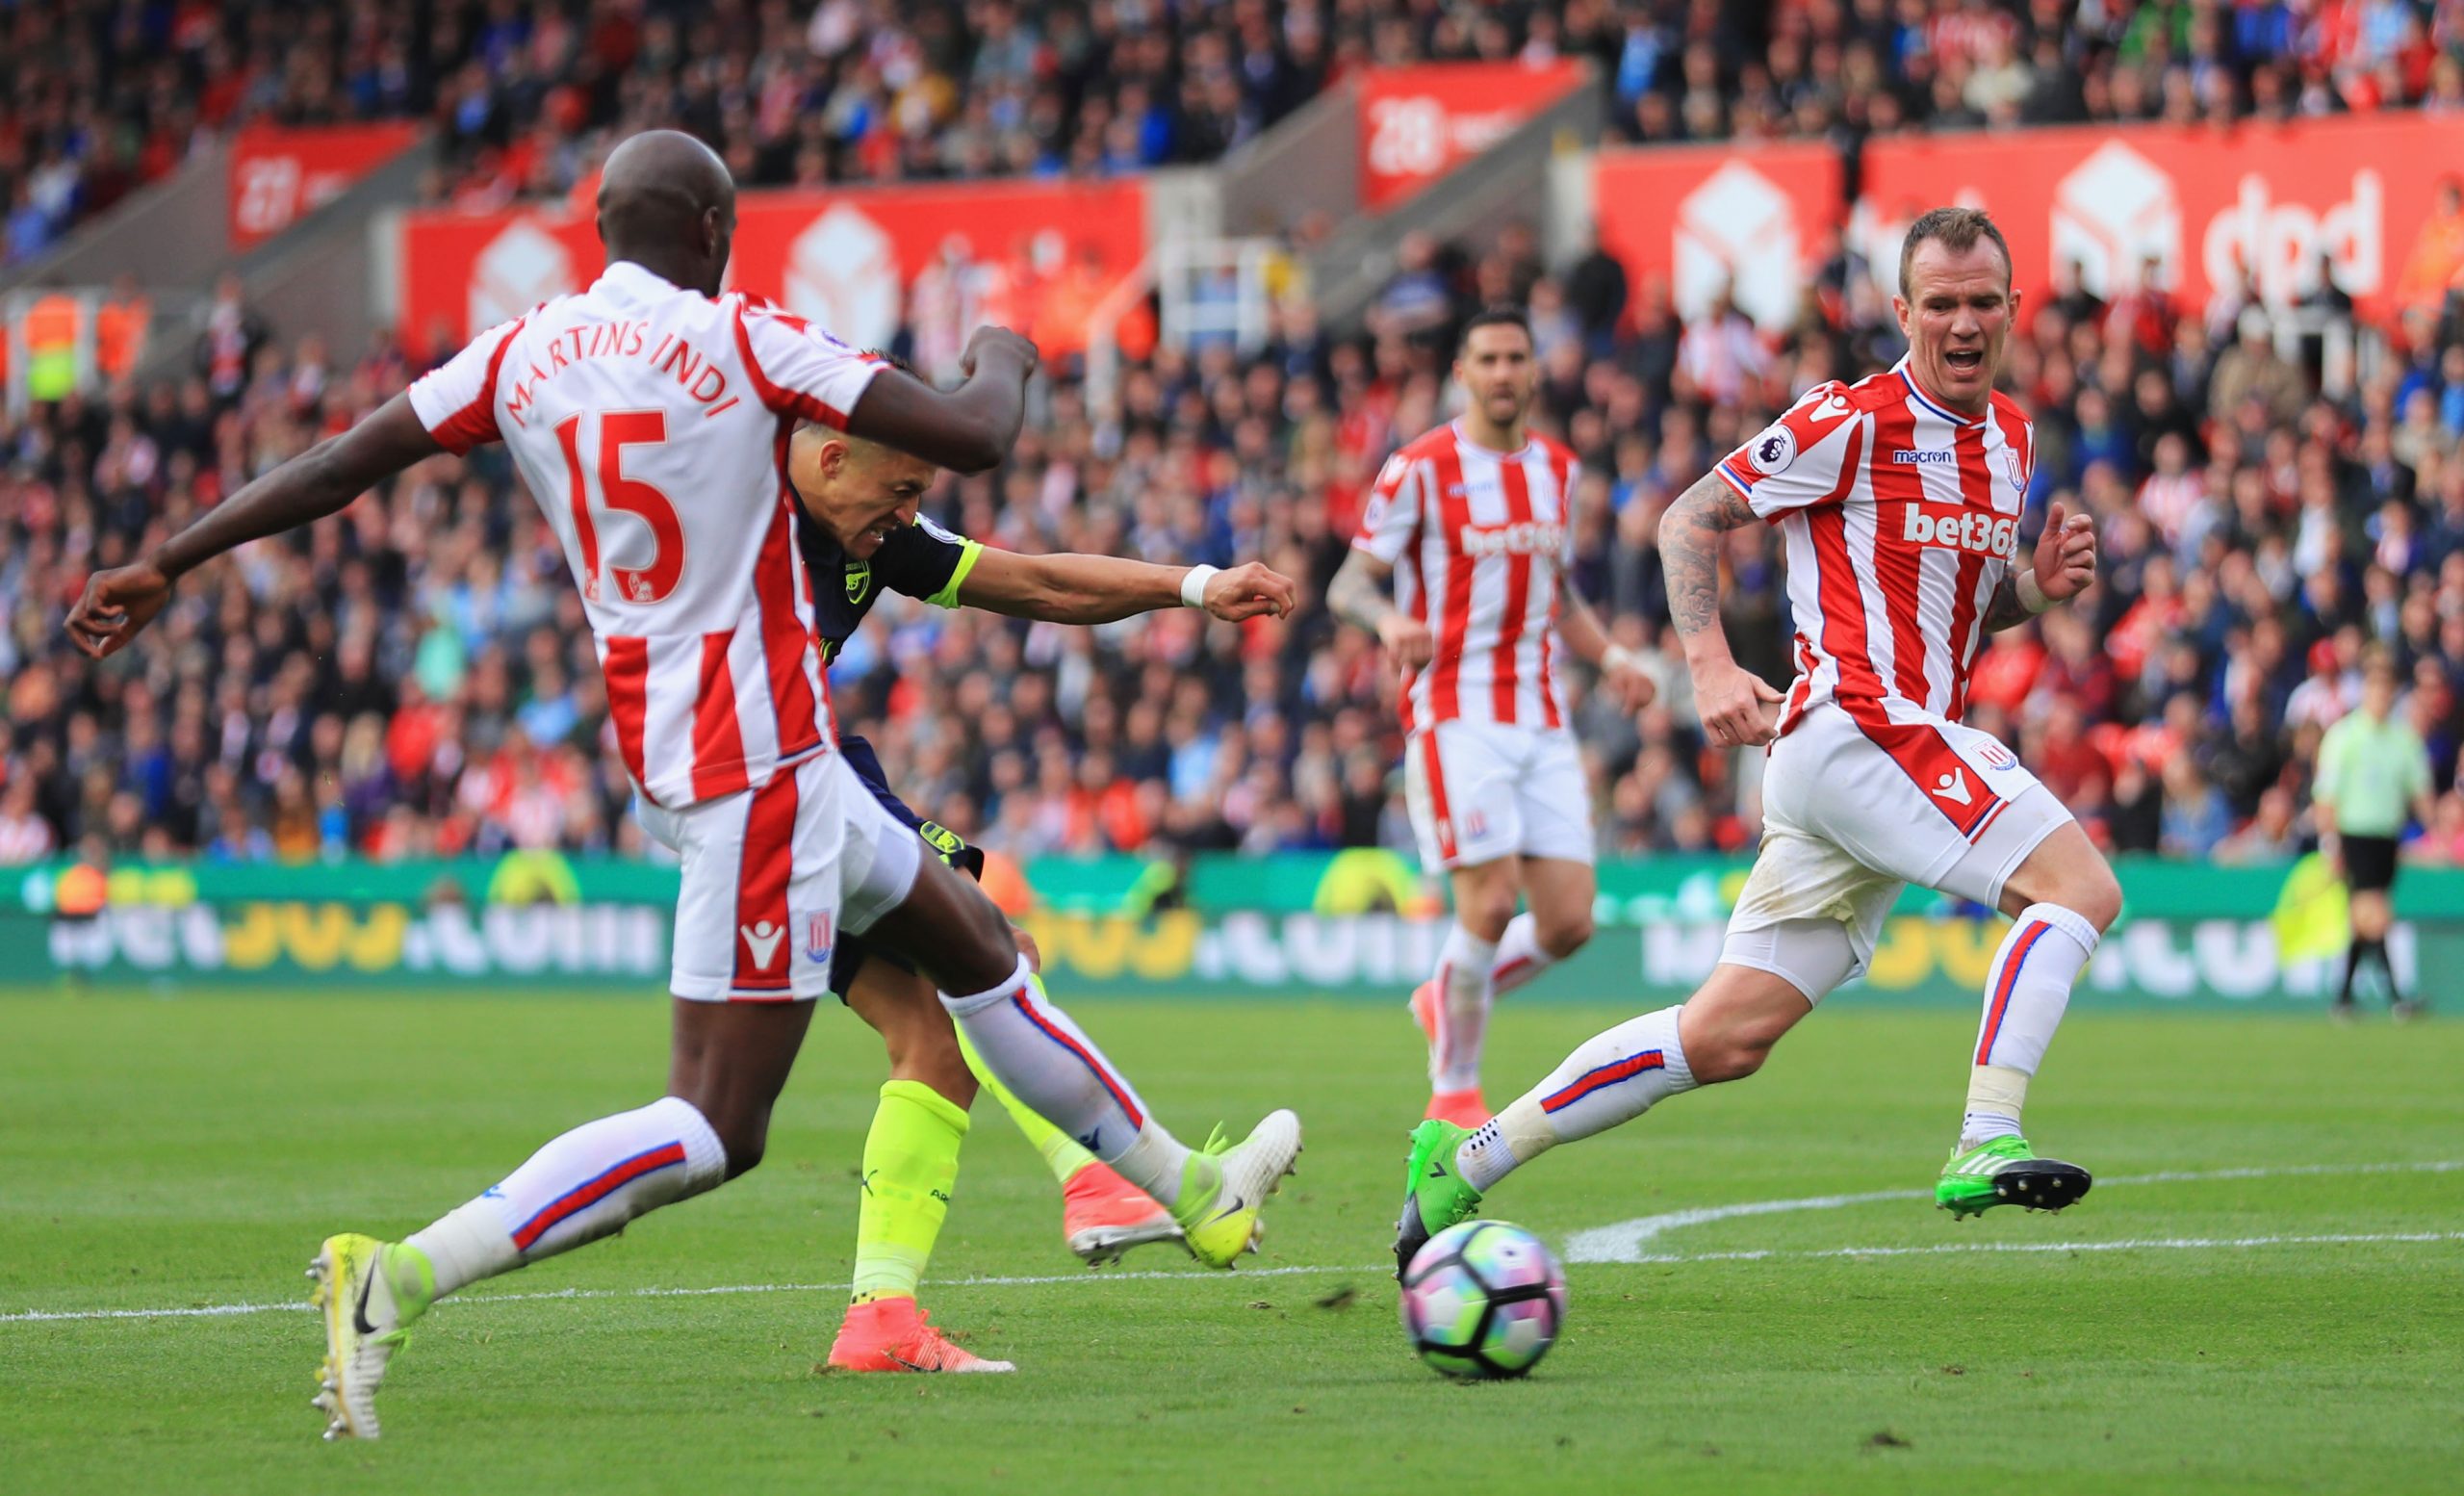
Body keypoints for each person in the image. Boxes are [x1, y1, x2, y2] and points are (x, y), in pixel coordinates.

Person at [64, 131, 1302, 1440]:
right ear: (717, 233)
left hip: (714, 756)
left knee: (980, 940)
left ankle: (1193, 1191)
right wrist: (1004, 340)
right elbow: (980, 430)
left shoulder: (518, 354)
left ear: (601, 228)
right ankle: (402, 1273)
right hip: (756, 768)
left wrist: (171, 558)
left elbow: (340, 465)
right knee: (717, 1125)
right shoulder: (748, 341)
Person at [1394, 207, 2119, 1275]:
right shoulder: (1849, 418)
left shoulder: (2008, 438)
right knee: (2079, 890)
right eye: (1941, 305)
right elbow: (1687, 517)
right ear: (1901, 312)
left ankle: (1469, 1158)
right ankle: (1985, 1133)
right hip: (1856, 729)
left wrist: (2027, 589)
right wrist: (1709, 665)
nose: (1963, 324)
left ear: (2012, 311)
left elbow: (1952, 615)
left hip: (1875, 758)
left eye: (1982, 303)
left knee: (1724, 1035)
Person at [783, 408, 1300, 1369]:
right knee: (991, 948)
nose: (906, 515)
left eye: (918, 499)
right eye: (898, 491)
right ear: (828, 457)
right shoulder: (746, 512)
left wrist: (1195, 585)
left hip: (769, 796)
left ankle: (881, 1319)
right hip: (783, 781)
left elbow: (1038, 580)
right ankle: (1121, 1183)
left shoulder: (876, 535)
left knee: (931, 1037)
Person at [1325, 305, 1656, 1126]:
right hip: (1453, 710)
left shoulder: (1559, 469)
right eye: (1488, 359)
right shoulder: (1420, 468)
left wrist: (1611, 657)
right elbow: (1348, 582)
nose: (1504, 372)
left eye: (1516, 357)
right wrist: (1389, 621)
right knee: (1488, 901)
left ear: (1535, 370)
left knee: (1571, 921)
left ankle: (1447, 993)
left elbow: (1557, 590)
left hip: (1541, 716)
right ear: (1464, 373)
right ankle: (1456, 1092)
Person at [2315, 651, 2435, 1020]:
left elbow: (2420, 791)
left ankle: (2344, 997)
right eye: (2375, 689)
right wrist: (2330, 842)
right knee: (2375, 914)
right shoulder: (2345, 735)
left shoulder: (2403, 739)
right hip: (2355, 834)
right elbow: (2327, 795)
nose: (2381, 697)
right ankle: (2397, 997)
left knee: (2364, 919)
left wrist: (2437, 832)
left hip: (2388, 836)